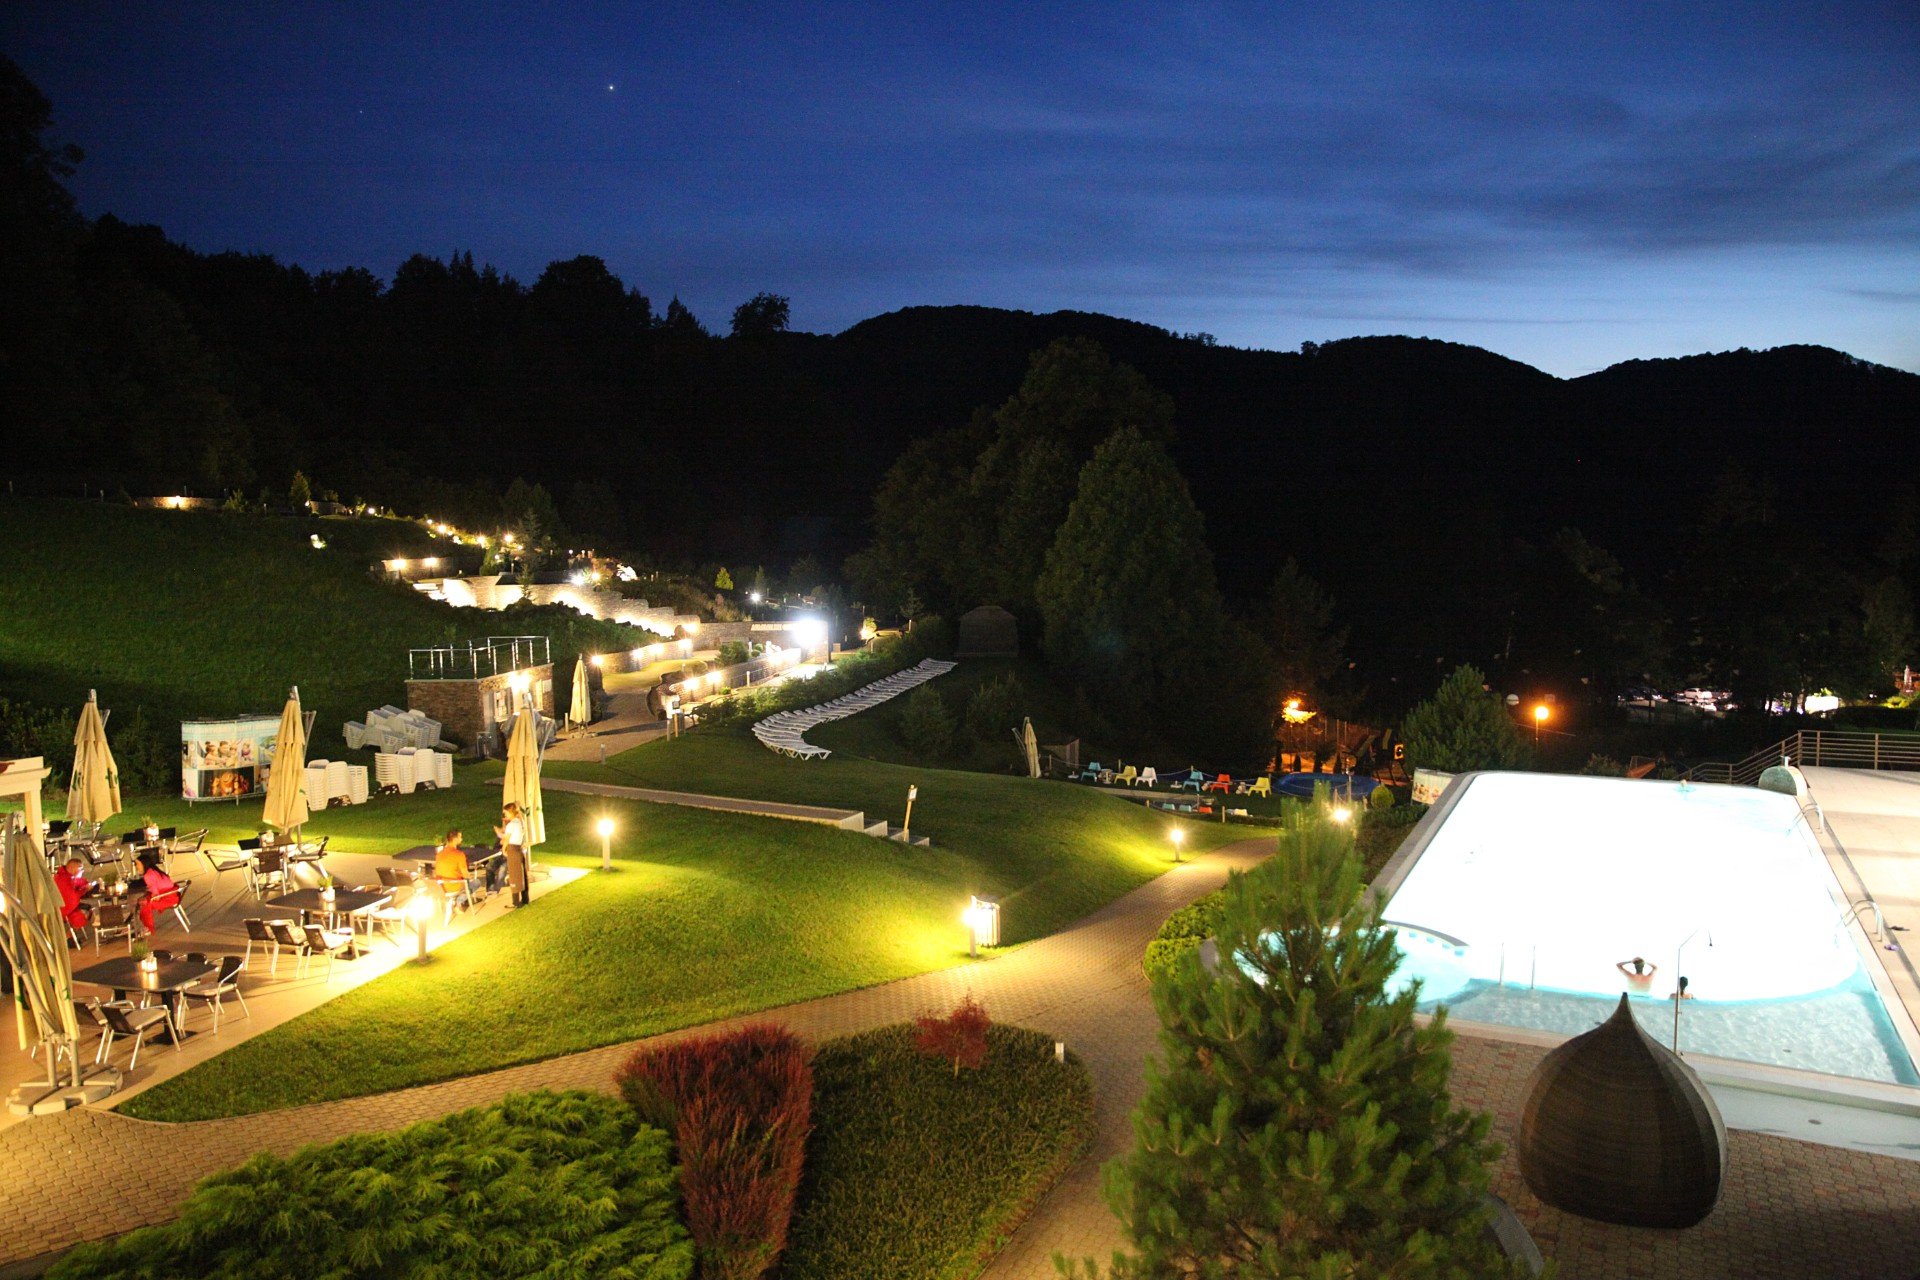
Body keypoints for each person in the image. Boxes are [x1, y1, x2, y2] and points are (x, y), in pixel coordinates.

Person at [433, 828, 483, 908]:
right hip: (453, 886)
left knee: (464, 880)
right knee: (476, 882)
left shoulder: (439, 854)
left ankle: (457, 900)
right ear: (455, 839)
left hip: (441, 886)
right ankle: (458, 902)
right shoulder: (459, 854)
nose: (461, 839)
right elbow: (466, 874)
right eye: (460, 837)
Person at [135, 850, 180, 935]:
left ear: (143, 864)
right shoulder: (154, 871)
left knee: (143, 904)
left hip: (167, 898)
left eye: (138, 864)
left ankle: (146, 927)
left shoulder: (148, 875)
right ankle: (140, 925)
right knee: (142, 900)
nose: (136, 867)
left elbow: (156, 896)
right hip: (173, 895)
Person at [496, 802, 530, 907]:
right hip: (519, 849)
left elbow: (507, 838)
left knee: (514, 875)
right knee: (522, 874)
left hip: (512, 849)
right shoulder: (520, 822)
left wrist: (503, 849)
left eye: (505, 812)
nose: (504, 814)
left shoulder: (511, 824)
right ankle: (525, 898)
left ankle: (516, 902)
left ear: (510, 812)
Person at [54, 857, 94, 933]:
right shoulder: (63, 880)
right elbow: (71, 898)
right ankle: (68, 936)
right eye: (80, 868)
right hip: (64, 909)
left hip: (66, 906)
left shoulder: (65, 875)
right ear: (72, 868)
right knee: (85, 912)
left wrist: (85, 883)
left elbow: (76, 881)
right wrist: (85, 889)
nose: (82, 871)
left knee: (88, 909)